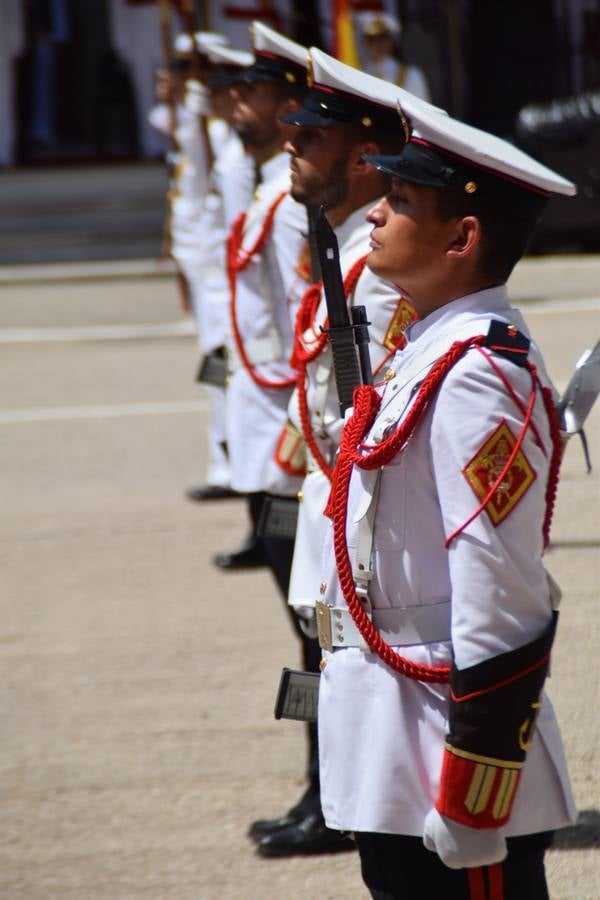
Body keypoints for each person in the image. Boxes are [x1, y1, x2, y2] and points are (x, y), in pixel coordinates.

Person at [315, 101, 577, 897]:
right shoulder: (425, 348)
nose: (377, 213)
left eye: (400, 203)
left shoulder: (476, 374)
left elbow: (501, 590)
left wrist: (475, 791)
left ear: (461, 239)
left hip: (443, 751)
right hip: (393, 738)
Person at [250, 47, 433, 858]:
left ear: (362, 157)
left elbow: (377, 401)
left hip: (355, 496)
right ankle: (326, 793)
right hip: (330, 483)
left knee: (341, 649)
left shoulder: (380, 266)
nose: (292, 147)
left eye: (310, 139)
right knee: (317, 642)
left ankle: (342, 801)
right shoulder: (344, 245)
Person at [215, 21, 310, 572]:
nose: (236, 105)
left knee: (291, 548)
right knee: (275, 539)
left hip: (282, 393)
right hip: (259, 385)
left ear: (287, 106)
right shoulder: (268, 185)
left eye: (251, 95)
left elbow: (306, 303)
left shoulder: (289, 197)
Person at [356, 11, 431, 102]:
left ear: (391, 42)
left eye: (381, 39)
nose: (376, 44)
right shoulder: (360, 75)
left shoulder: (411, 75)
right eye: (371, 39)